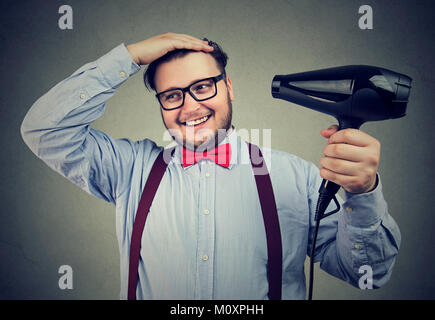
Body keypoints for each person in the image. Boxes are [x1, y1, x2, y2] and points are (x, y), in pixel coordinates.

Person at [20, 33, 400, 300]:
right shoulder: (128, 169)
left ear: (228, 86)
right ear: (161, 104)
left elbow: (367, 275)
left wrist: (362, 193)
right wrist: (129, 56)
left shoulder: (296, 178)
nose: (189, 107)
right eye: (172, 95)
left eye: (202, 87)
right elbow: (44, 129)